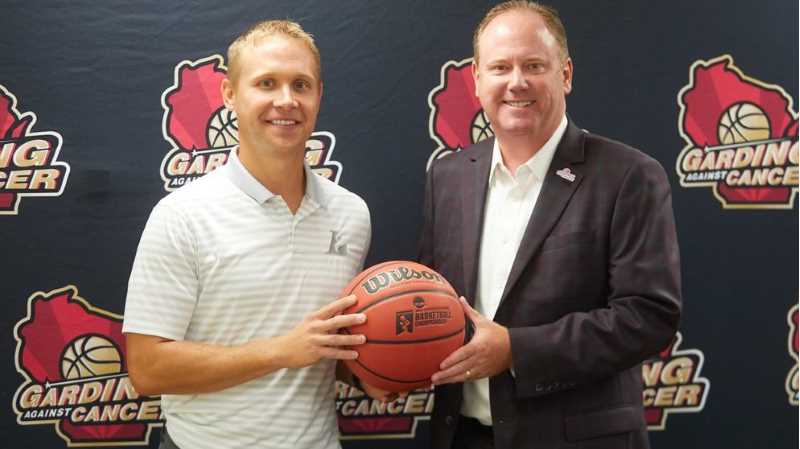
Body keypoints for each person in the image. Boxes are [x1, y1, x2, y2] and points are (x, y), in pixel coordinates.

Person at [419, 2, 682, 448]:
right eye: (500, 67)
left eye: (534, 65)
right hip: (461, 435)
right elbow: (430, 299)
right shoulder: (447, 177)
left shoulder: (628, 175)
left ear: (566, 74)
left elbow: (649, 315)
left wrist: (516, 350)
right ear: (477, 81)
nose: (516, 82)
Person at [123, 20, 372, 449]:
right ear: (229, 95)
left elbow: (331, 349)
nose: (285, 100)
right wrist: (281, 350)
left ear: (318, 96)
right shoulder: (182, 215)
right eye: (266, 83)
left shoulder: (351, 214)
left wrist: (381, 369)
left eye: (301, 84)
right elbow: (148, 369)